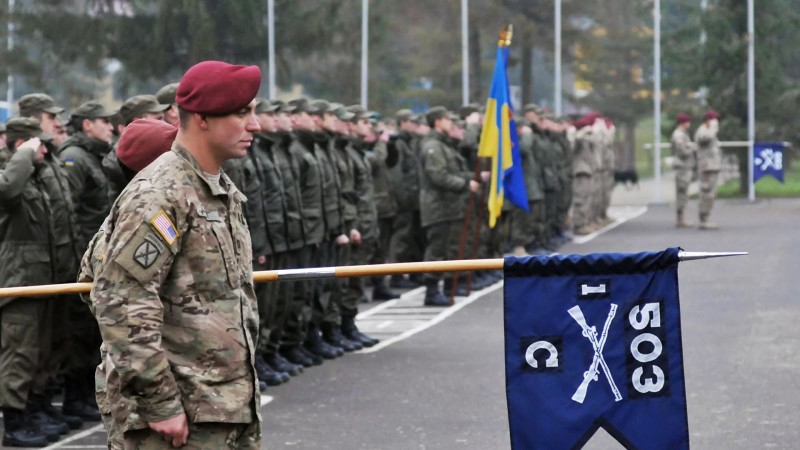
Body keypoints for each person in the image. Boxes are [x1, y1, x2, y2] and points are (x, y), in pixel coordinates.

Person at [84, 60, 262, 448]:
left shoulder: (216, 188)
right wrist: (161, 403)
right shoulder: (161, 193)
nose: (256, 124)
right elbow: (121, 298)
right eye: (241, 113)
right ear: (201, 118)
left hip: (220, 406)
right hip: (180, 417)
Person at [0, 119, 64, 447]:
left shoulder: (33, 179)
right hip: (19, 280)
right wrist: (24, 151)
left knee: (35, 352)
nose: (44, 149)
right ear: (20, 145)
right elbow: (7, 189)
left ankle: (28, 412)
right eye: (37, 144)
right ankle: (12, 423)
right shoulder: (10, 178)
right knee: (18, 352)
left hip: (39, 278)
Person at [419, 106, 481, 306]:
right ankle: (431, 290)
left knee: (450, 248)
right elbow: (438, 176)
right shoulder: (433, 146)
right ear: (437, 122)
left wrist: (467, 178)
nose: (451, 124)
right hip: (437, 205)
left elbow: (452, 172)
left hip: (449, 205)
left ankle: (447, 286)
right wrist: (465, 183)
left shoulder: (444, 145)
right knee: (436, 250)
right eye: (447, 120)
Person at [694, 110, 721, 230]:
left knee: (711, 194)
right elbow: (705, 138)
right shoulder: (703, 130)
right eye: (714, 119)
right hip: (706, 167)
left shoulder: (709, 129)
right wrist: (713, 127)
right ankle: (703, 219)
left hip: (712, 166)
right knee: (707, 193)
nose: (716, 122)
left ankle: (706, 217)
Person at [670, 113, 696, 227]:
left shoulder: (682, 134)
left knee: (684, 193)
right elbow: (682, 150)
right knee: (682, 193)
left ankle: (681, 218)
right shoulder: (679, 135)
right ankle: (680, 219)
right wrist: (692, 148)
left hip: (685, 166)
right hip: (682, 167)